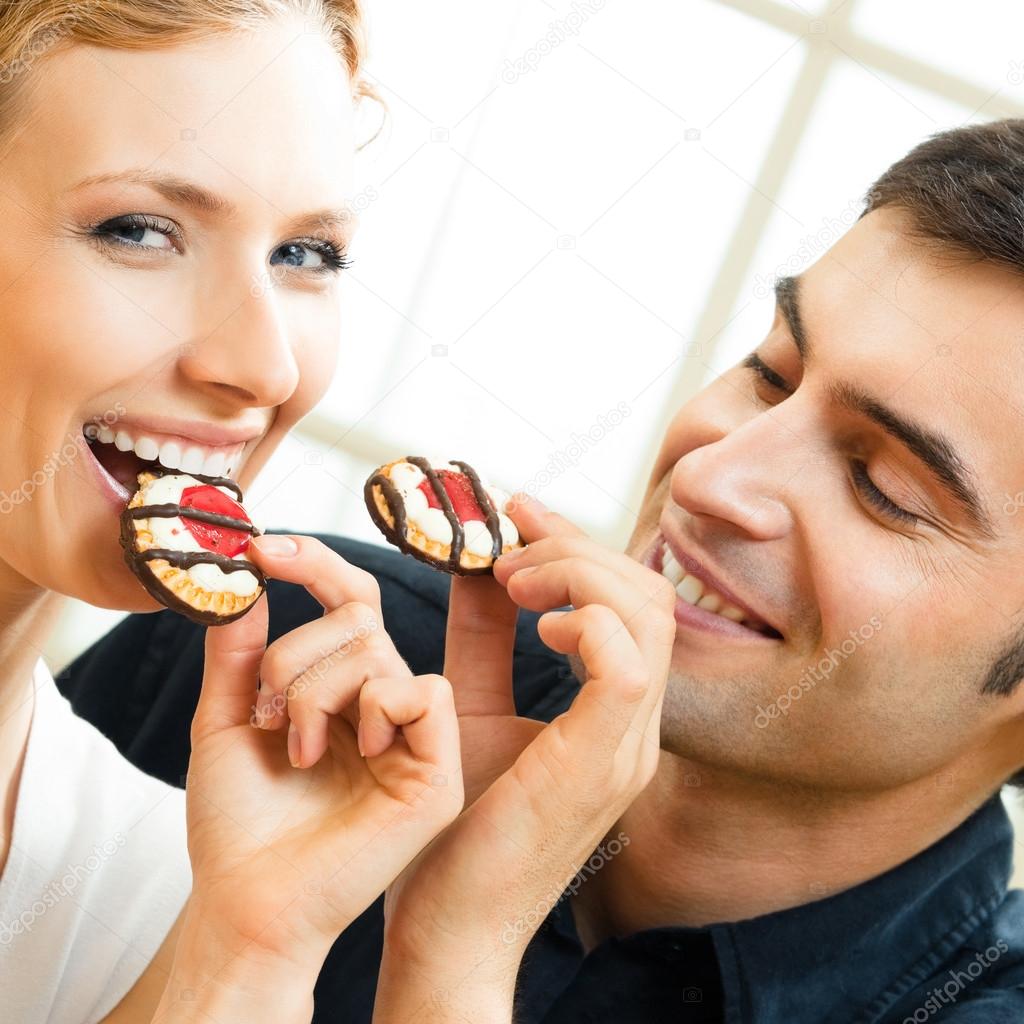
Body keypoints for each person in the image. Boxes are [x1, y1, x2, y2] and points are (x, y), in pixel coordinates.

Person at [66, 118, 1024, 1023]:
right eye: (770, 372)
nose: (708, 472)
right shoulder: (269, 661)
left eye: (885, 487)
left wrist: (452, 956)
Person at [0, 4, 667, 1021]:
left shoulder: (152, 887)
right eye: (139, 230)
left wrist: (293, 953)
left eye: (305, 255)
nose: (264, 364)